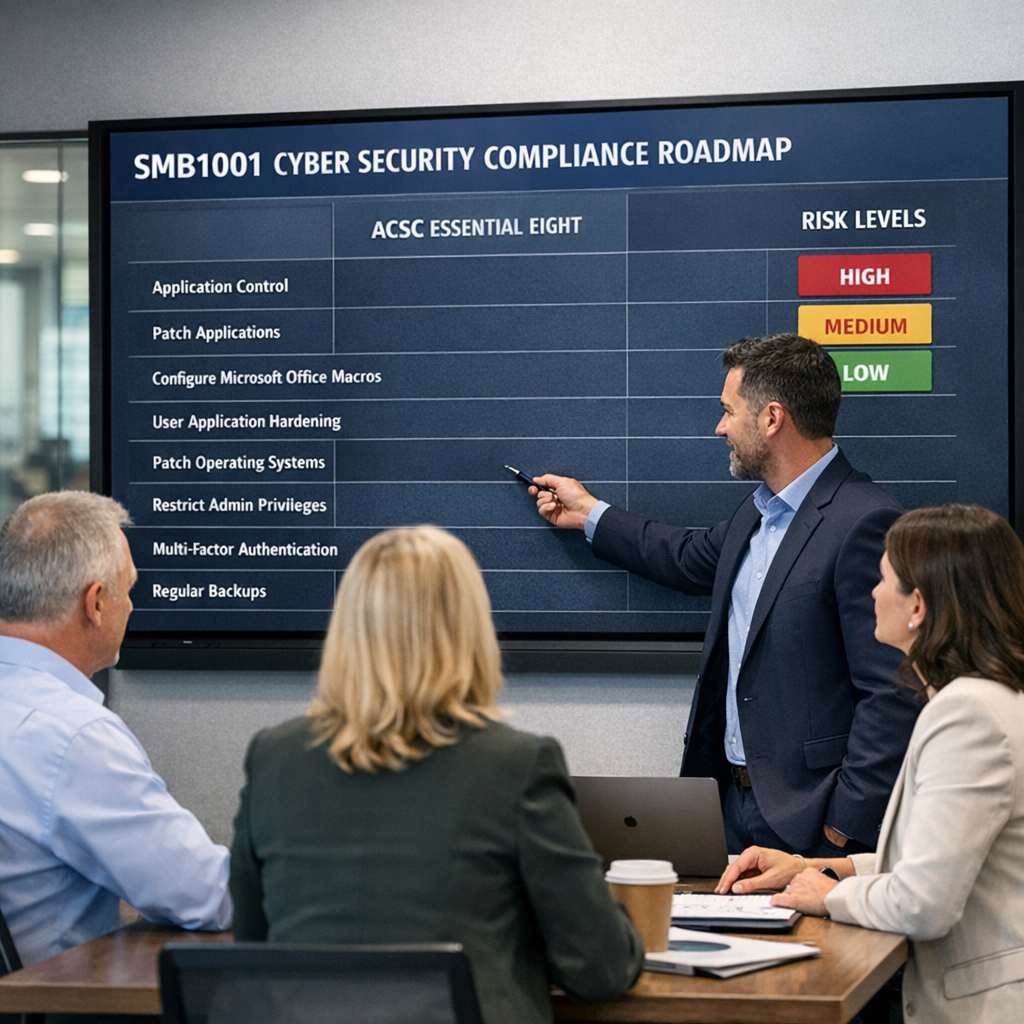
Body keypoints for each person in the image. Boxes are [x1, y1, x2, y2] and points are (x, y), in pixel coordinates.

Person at [230, 526, 643, 1024]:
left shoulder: (274, 757)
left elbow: (253, 946)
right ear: (468, 629)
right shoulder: (516, 764)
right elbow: (599, 969)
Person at [530, 333, 921, 857]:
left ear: (771, 418)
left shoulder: (864, 521)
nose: (720, 428)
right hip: (728, 808)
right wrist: (589, 514)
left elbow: (892, 692)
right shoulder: (756, 513)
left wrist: (842, 832)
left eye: (728, 411)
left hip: (811, 821)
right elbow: (686, 556)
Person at [717, 504, 1024, 1023]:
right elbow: (931, 861)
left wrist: (832, 895)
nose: (873, 594)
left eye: (882, 580)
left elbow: (922, 903)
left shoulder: (966, 714)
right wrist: (814, 866)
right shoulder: (987, 699)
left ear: (918, 607)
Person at [0, 491, 231, 966]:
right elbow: (202, 894)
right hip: (58, 1009)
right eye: (128, 591)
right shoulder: (69, 737)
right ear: (97, 603)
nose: (132, 607)